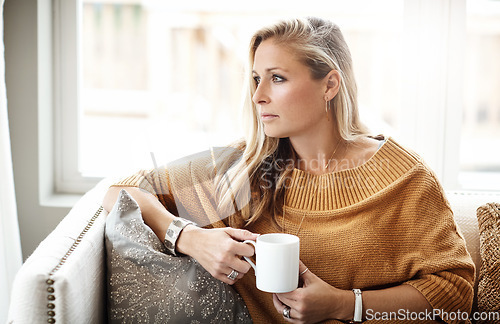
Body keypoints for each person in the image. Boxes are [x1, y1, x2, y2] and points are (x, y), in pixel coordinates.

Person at [103, 17, 475, 323]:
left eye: (276, 78)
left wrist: (345, 304)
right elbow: (120, 191)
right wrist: (190, 238)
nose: (258, 95)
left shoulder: (404, 180)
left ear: (329, 84)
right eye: (255, 78)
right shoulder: (242, 171)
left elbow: (455, 291)